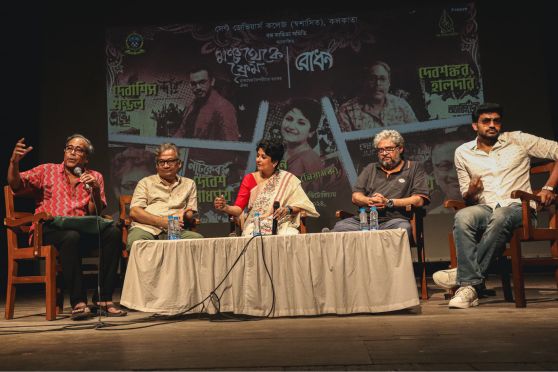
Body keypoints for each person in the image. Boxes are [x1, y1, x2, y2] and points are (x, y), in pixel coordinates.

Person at [432, 102, 558, 309]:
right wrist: (472, 191)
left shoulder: (518, 140)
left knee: (501, 215)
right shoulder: (463, 152)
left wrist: (549, 187)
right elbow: (468, 198)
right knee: (464, 216)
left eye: (496, 121)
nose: (492, 125)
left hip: (519, 208)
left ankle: (465, 278)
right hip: (485, 206)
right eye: (486, 121)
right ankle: (470, 282)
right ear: (475, 126)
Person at [7, 135, 126, 320]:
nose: (72, 153)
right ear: (64, 152)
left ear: (86, 158)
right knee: (70, 236)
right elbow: (15, 184)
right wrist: (14, 162)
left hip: (81, 231)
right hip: (48, 230)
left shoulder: (95, 177)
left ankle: (103, 298)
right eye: (69, 148)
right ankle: (78, 301)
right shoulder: (47, 170)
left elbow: (95, 212)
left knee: (113, 232)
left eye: (79, 150)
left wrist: (93, 189)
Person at [331, 129, 430, 239]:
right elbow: (355, 197)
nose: (384, 153)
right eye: (381, 150)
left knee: (402, 229)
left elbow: (419, 200)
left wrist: (388, 202)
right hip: (365, 220)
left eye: (389, 149)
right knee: (339, 228)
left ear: (400, 149)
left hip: (393, 221)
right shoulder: (370, 168)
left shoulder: (413, 168)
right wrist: (369, 200)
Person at [213, 139, 319, 236]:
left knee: (290, 235)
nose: (258, 160)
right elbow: (238, 209)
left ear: (274, 162)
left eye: (263, 157)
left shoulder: (287, 179)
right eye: (257, 155)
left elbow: (303, 204)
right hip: (255, 224)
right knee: (253, 236)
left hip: (281, 224)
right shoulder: (249, 179)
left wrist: (288, 209)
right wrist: (225, 207)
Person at [127, 143, 203, 250]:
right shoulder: (145, 182)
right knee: (137, 243)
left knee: (198, 242)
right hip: (147, 228)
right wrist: (162, 221)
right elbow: (134, 212)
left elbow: (190, 212)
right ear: (157, 165)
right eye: (162, 162)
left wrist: (186, 215)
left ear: (179, 164)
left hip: (175, 229)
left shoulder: (189, 184)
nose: (166, 165)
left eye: (170, 161)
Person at [337, 60, 418, 131]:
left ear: (389, 83)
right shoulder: (346, 110)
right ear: (365, 81)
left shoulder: (401, 105)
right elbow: (345, 146)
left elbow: (419, 137)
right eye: (372, 79)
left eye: (382, 79)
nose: (378, 84)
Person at [173, 65, 239, 141]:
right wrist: (168, 145)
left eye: (202, 82)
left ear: (212, 81)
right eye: (193, 84)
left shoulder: (224, 107)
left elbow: (231, 143)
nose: (198, 87)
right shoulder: (193, 105)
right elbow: (181, 131)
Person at [280, 98, 324, 190]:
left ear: (311, 132)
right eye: (289, 119)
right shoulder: (283, 152)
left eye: (301, 123)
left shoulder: (308, 160)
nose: (291, 126)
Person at [428, 140, 463, 213]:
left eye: (462, 164)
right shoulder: (433, 216)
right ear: (435, 174)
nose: (454, 174)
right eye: (445, 166)